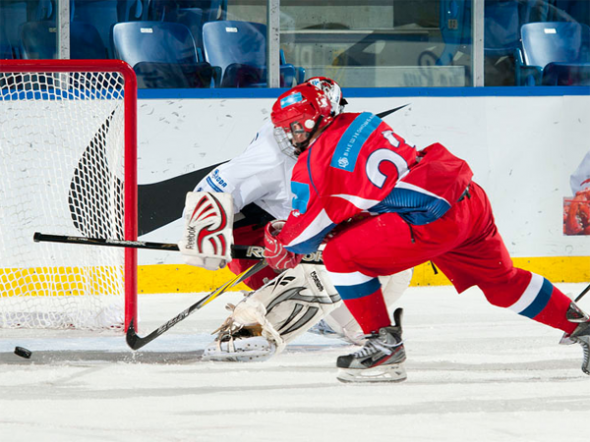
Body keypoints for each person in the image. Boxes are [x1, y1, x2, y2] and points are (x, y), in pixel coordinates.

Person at [262, 82, 590, 383]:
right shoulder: (362, 120)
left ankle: (383, 345)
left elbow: (300, 239)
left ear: (311, 121)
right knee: (502, 283)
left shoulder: (313, 163)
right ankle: (584, 329)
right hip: (466, 198)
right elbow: (365, 191)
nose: (290, 137)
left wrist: (280, 239)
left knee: (339, 254)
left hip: (429, 221)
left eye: (292, 127)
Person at [178, 77, 413, 361]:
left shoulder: (339, 139)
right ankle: (246, 327)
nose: (292, 135)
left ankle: (333, 321)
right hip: (255, 236)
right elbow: (216, 185)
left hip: (297, 229)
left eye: (301, 126)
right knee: (321, 273)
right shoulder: (272, 154)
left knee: (398, 270)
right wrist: (201, 230)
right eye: (290, 126)